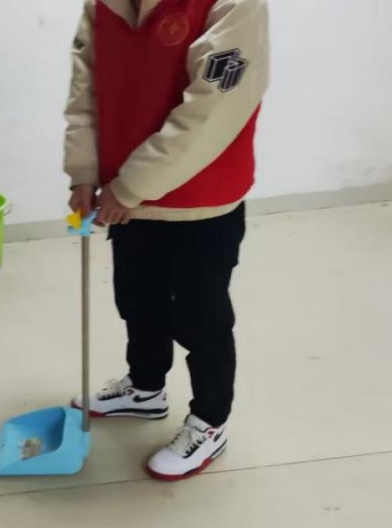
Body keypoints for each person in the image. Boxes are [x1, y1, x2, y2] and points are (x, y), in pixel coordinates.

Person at [64, 0, 269, 481]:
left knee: (201, 317)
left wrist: (128, 187)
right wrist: (83, 171)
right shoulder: (102, 5)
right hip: (126, 194)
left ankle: (210, 422)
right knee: (137, 298)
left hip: (200, 198)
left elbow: (213, 110)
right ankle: (145, 387)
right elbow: (85, 89)